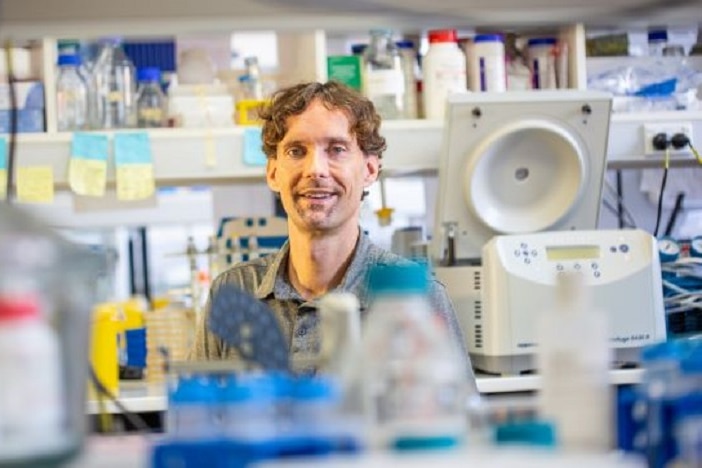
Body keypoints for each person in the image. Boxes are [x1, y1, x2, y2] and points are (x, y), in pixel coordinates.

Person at [189, 81, 477, 388]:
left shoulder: (415, 297)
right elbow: (197, 422)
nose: (316, 169)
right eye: (296, 151)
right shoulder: (234, 291)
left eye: (337, 150)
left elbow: (459, 425)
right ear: (273, 173)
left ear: (369, 170)